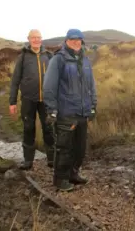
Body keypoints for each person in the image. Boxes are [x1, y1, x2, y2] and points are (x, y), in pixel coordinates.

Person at [42, 28, 97, 192]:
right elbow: (49, 86)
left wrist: (93, 105)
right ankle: (60, 179)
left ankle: (73, 174)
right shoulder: (59, 60)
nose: (76, 42)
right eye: (73, 39)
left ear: (82, 41)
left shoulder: (85, 61)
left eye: (79, 39)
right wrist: (51, 109)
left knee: (80, 148)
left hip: (83, 112)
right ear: (66, 41)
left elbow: (91, 85)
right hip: (66, 112)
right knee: (64, 148)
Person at [9, 29, 56, 170]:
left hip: (46, 101)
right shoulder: (23, 57)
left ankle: (52, 160)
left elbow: (56, 78)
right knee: (28, 129)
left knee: (48, 128)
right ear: (29, 39)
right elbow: (15, 80)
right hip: (28, 100)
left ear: (41, 39)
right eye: (33, 38)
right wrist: (12, 102)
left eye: (38, 37)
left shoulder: (48, 56)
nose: (36, 40)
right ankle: (28, 161)